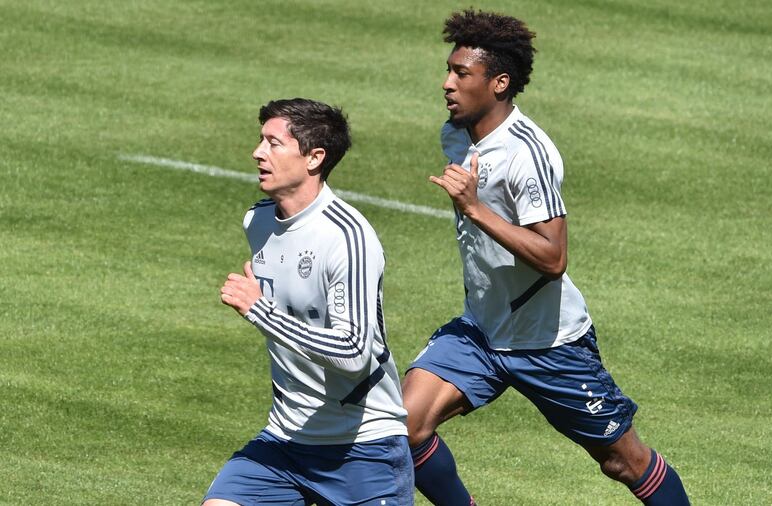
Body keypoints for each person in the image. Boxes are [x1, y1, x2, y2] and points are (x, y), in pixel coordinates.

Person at [403, 10, 690, 505]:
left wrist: (474, 209)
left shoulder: (526, 153)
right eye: (448, 69)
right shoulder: (457, 134)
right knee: (403, 429)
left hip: (548, 342)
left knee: (624, 461)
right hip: (483, 330)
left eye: (461, 73)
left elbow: (553, 257)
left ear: (499, 83)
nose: (446, 83)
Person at [203, 98, 413, 506]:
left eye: (273, 143)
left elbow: (354, 351)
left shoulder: (347, 238)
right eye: (260, 140)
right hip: (284, 442)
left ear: (315, 157)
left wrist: (260, 311)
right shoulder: (258, 221)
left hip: (362, 448)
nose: (257, 152)